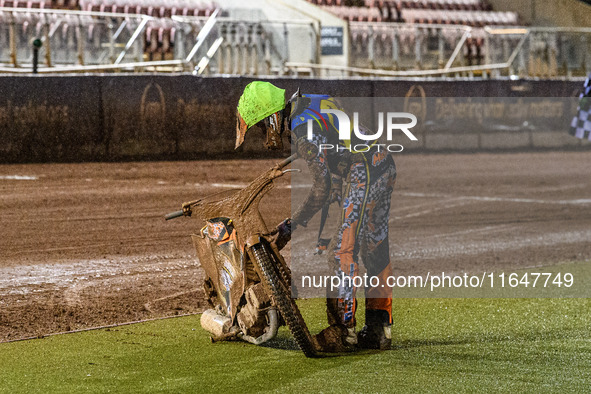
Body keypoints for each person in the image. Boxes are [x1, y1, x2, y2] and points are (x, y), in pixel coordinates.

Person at [235, 81, 397, 352]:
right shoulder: (308, 101)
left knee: (340, 251)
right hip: (382, 163)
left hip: (364, 169)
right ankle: (380, 330)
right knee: (374, 248)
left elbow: (321, 189)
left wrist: (290, 225)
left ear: (273, 117)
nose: (265, 133)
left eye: (262, 125)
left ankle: (342, 332)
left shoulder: (302, 129)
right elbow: (337, 144)